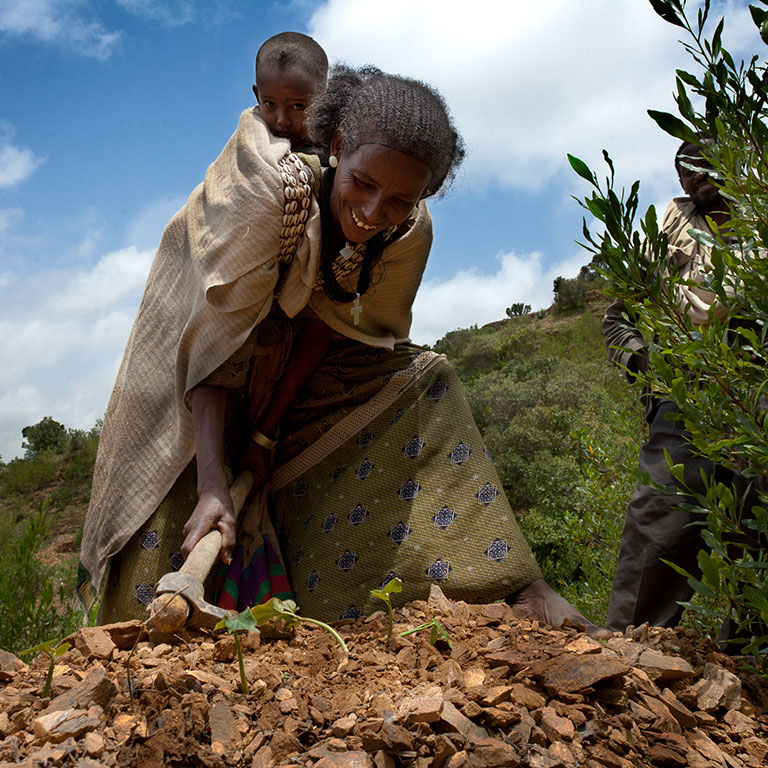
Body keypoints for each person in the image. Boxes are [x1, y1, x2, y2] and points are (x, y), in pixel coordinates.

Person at [78, 65, 608, 639]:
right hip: (191, 365)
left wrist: (263, 438)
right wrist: (213, 484)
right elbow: (212, 347)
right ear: (335, 148)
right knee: (181, 489)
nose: (376, 211)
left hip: (286, 362)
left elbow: (336, 331)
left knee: (427, 382)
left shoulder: (406, 233)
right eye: (363, 184)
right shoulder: (267, 196)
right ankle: (148, 649)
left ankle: (513, 587)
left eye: (401, 198)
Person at [603, 140, 734, 632]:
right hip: (683, 396)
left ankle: (748, 675)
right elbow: (618, 318)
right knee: (656, 529)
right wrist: (645, 367)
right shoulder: (666, 232)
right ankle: (630, 663)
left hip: (755, 394)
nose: (693, 177)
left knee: (755, 535)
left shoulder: (757, 227)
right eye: (683, 170)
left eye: (702, 165)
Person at [253, 32, 328, 150]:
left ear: (323, 102)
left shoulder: (339, 152)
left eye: (298, 107)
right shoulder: (247, 147)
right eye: (270, 104)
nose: (282, 120)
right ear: (257, 96)